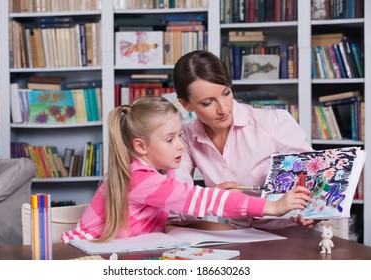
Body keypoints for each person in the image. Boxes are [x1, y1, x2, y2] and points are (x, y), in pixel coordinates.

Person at [61, 96, 312, 242]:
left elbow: (182, 203)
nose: (181, 146)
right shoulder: (139, 179)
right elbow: (195, 198)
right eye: (170, 139)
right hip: (90, 255)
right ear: (141, 146)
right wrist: (273, 207)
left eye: (180, 136)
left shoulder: (156, 172)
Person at [172, 50, 316, 228]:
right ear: (186, 104)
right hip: (239, 238)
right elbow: (174, 204)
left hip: (289, 232)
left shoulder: (273, 123)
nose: (223, 109)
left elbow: (315, 181)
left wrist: (312, 211)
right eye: (208, 103)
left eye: (226, 93)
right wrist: (210, 198)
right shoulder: (184, 138)